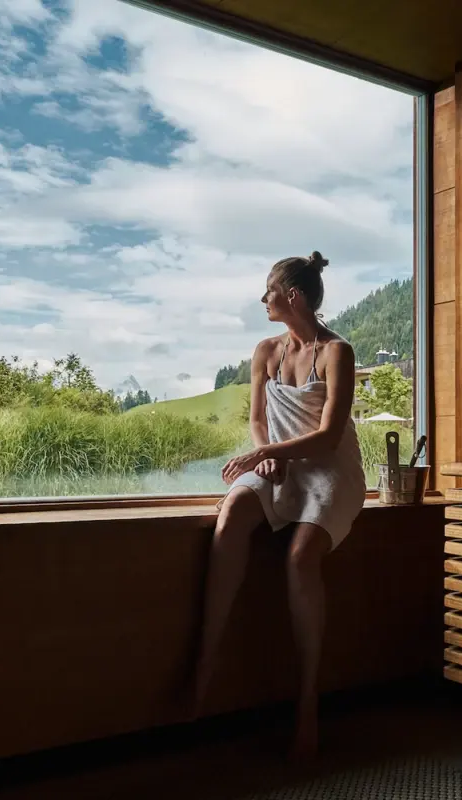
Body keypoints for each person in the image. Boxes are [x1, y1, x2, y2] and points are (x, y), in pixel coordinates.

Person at [191, 250, 367, 761]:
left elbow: (331, 435)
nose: (262, 299)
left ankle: (306, 706)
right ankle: (205, 664)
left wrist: (269, 452)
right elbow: (258, 422)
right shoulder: (265, 351)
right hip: (279, 463)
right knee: (232, 516)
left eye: (268, 291)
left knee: (298, 557)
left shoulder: (337, 352)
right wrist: (266, 457)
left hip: (330, 470)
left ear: (292, 296)